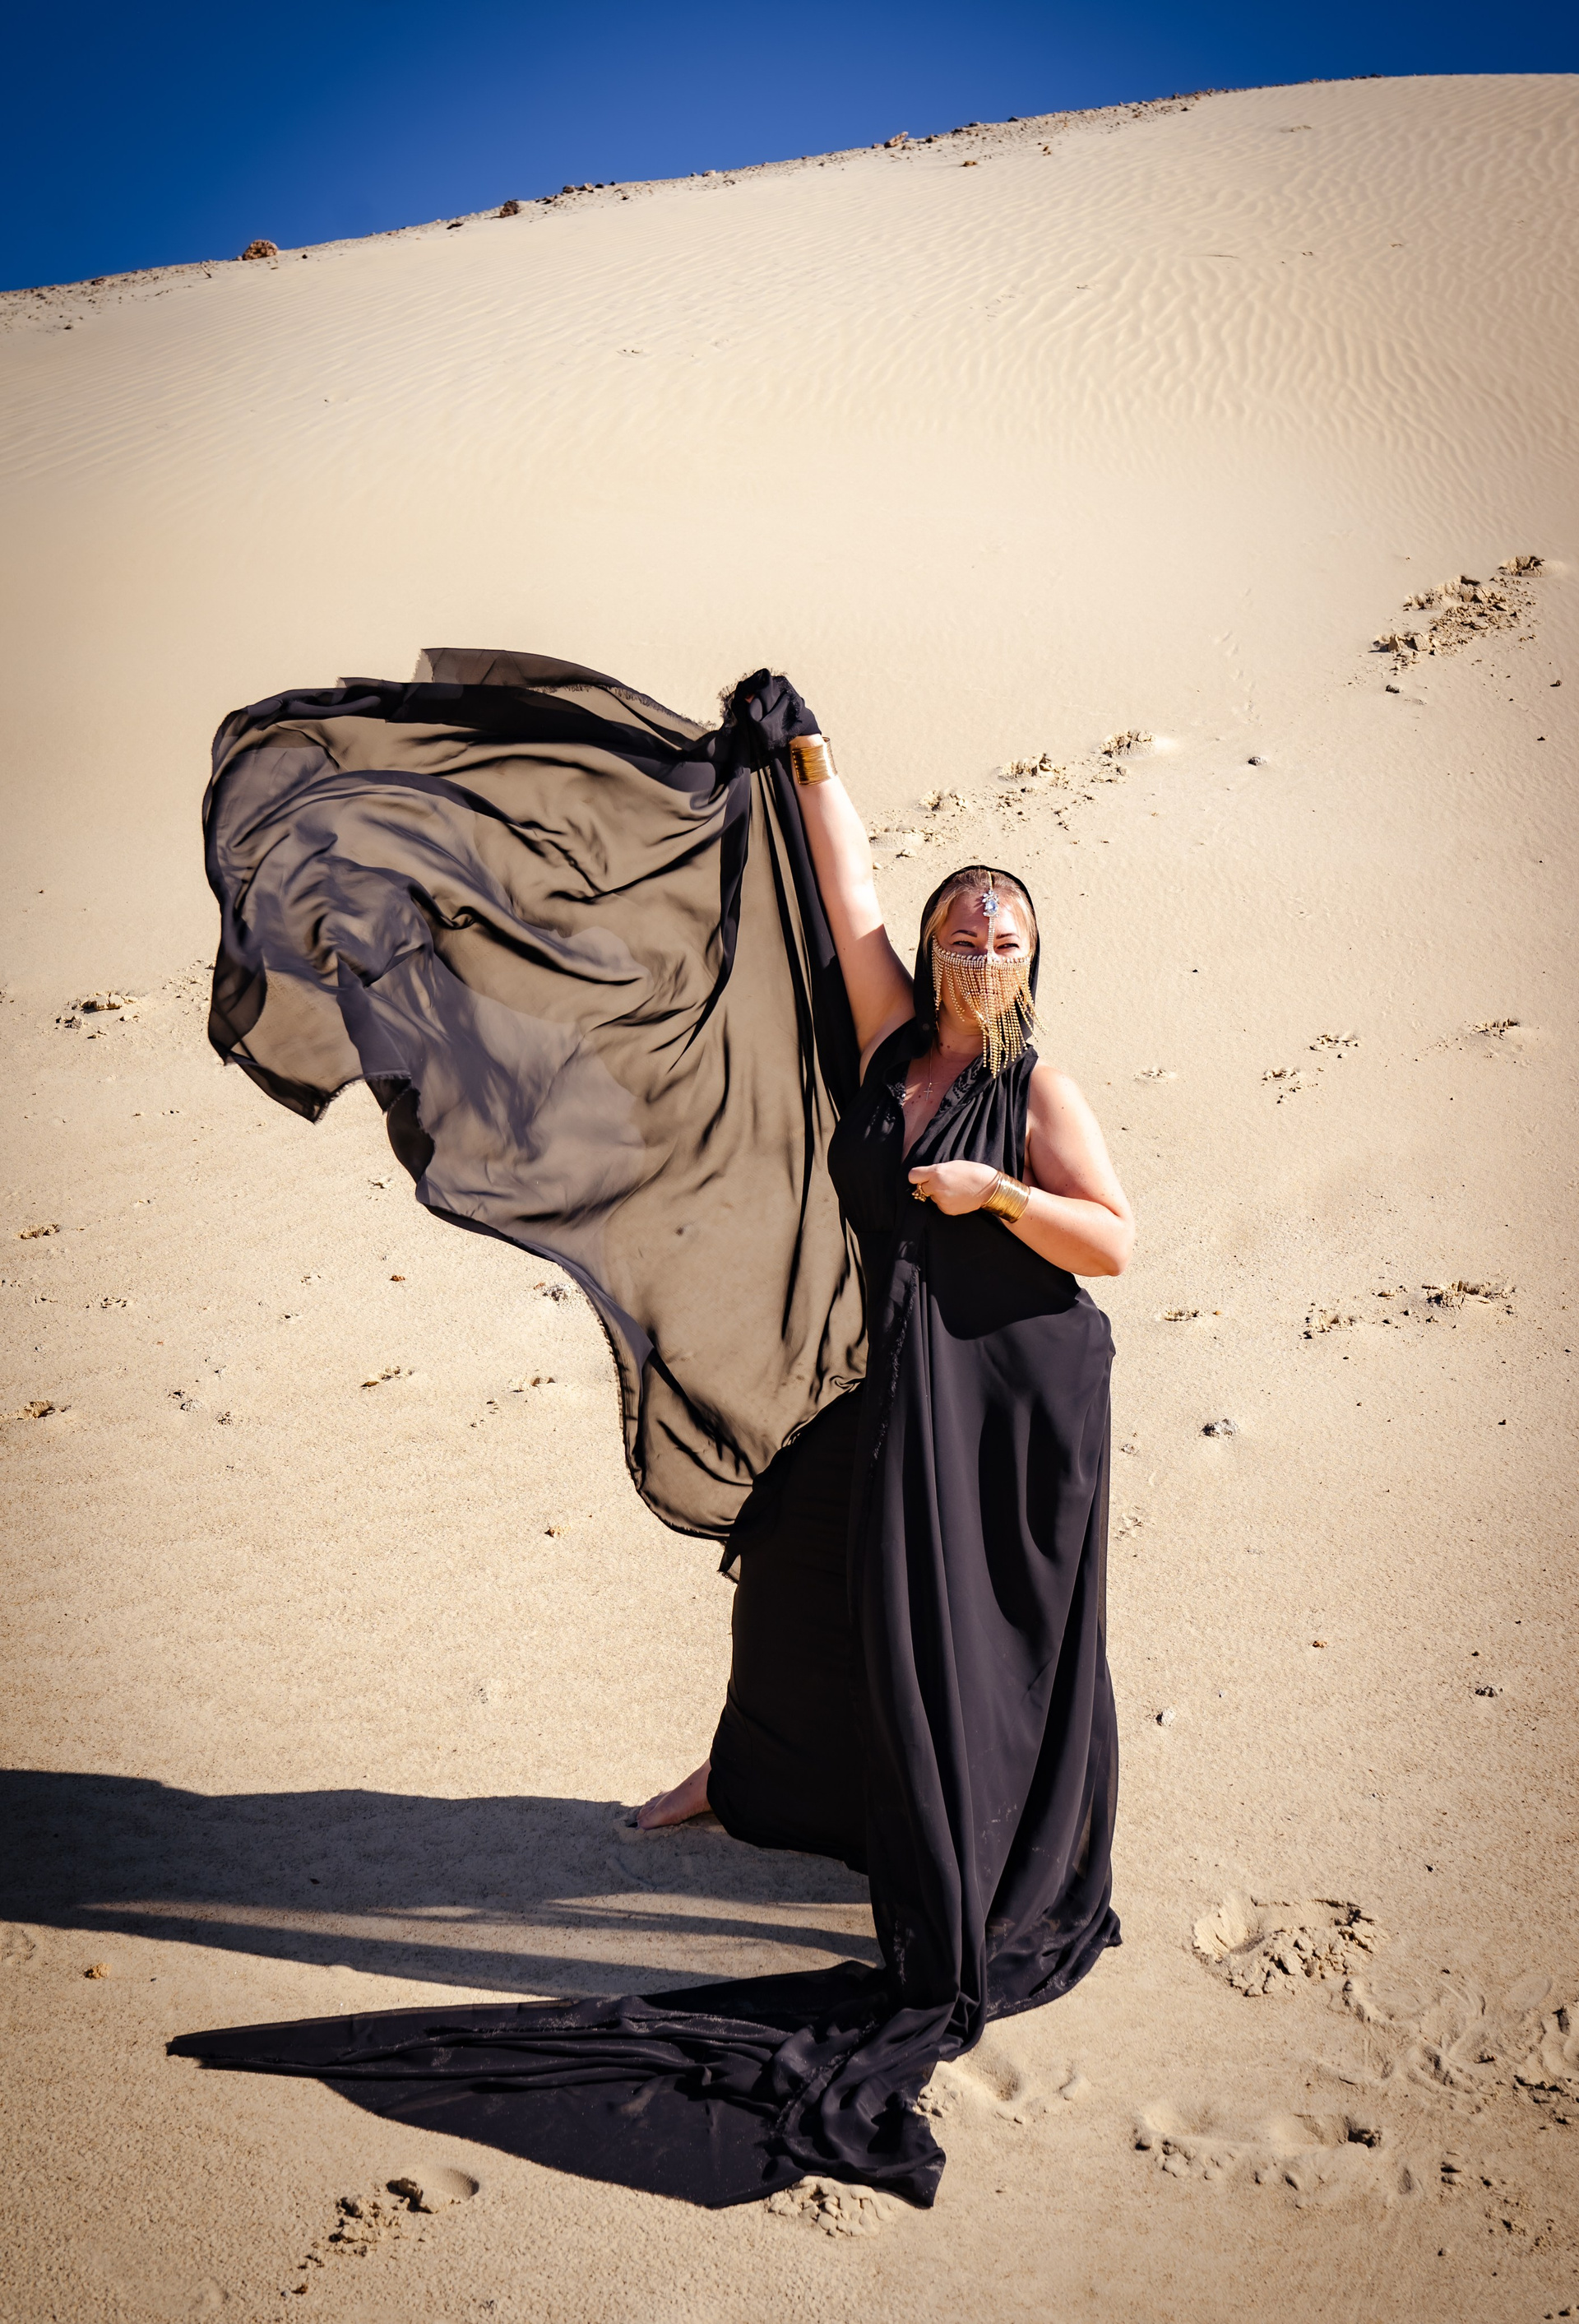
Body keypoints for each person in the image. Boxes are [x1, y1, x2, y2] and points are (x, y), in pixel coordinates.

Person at [178, 660, 1129, 2210]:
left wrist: (997, 1193)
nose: (977, 944)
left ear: (1030, 961)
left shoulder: (1039, 1092)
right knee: (803, 1552)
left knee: (971, 1627)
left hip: (1018, 1392)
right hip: (909, 1373)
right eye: (962, 925)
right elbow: (848, 893)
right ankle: (753, 1781)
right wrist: (808, 755)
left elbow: (1117, 1242)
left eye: (1001, 934)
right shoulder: (895, 1040)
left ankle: (982, 1845)